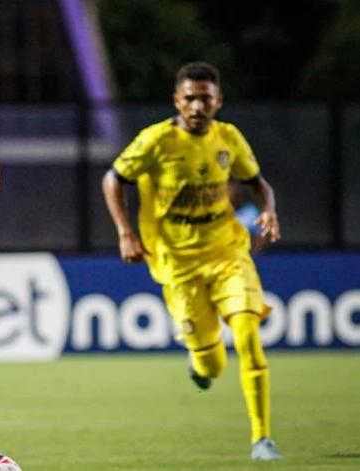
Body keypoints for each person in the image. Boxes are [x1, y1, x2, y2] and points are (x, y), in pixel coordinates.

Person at [101, 61, 283, 461]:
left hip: (227, 252)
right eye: (190, 98)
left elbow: (257, 184)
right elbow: (113, 179)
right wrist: (125, 232)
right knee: (212, 366)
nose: (198, 106)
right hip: (177, 263)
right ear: (176, 101)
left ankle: (262, 439)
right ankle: (199, 363)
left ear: (218, 101)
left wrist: (268, 209)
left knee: (249, 334)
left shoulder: (229, 138)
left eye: (206, 98)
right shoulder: (155, 142)